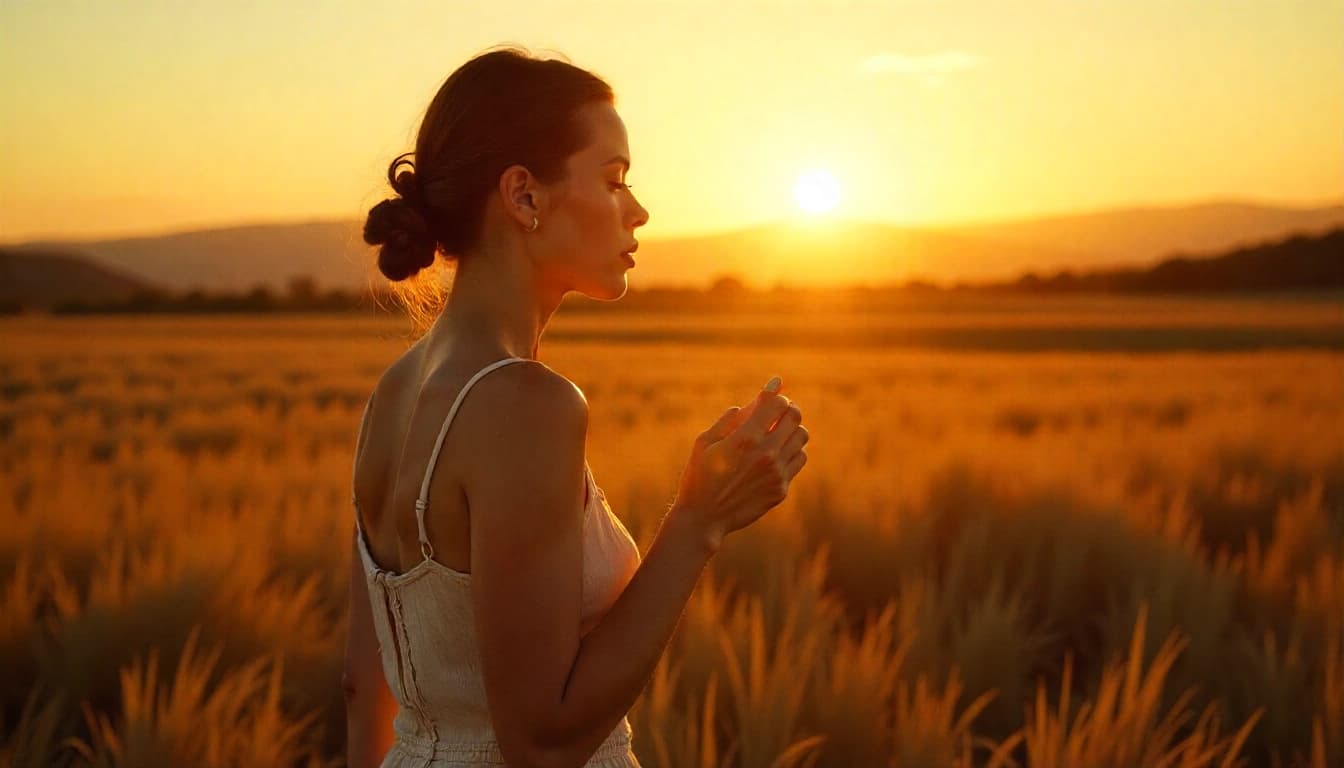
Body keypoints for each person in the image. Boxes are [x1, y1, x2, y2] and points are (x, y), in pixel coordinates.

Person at [344, 45, 809, 768]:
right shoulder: (525, 404)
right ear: (525, 196)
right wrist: (699, 523)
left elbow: (363, 689)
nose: (640, 210)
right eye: (615, 179)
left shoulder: (394, 394)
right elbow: (542, 740)